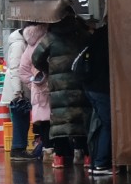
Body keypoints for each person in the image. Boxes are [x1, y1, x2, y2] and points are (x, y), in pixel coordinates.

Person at [33, 14, 92, 171]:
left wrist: (50, 70)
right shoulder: (83, 35)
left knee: (60, 120)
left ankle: (59, 159)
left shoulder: (50, 38)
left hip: (58, 85)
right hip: (79, 82)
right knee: (81, 118)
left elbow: (36, 58)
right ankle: (86, 156)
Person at [81, 17, 114, 177]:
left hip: (90, 86)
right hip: (101, 87)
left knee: (100, 123)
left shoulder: (96, 36)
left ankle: (95, 161)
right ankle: (100, 163)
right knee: (108, 124)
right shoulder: (110, 37)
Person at [22, 23, 52, 160]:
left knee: (44, 121)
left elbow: (22, 71)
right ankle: (62, 154)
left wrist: (34, 83)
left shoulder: (30, 45)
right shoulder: (50, 40)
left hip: (39, 90)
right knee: (56, 120)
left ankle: (47, 152)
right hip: (53, 86)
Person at [1, 26, 32, 158]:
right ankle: (18, 149)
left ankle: (19, 148)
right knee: (20, 119)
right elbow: (15, 68)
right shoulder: (19, 44)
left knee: (22, 118)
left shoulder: (20, 42)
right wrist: (18, 91)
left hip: (19, 87)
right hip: (18, 89)